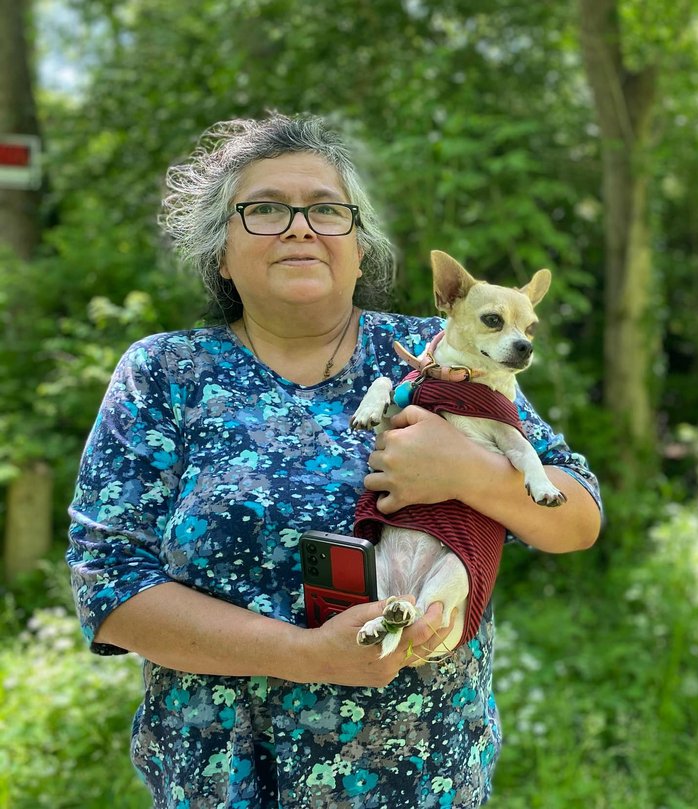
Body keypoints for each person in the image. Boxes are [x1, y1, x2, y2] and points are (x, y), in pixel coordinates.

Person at [66, 112, 602, 809]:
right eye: (264, 209)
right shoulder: (167, 372)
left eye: (326, 209)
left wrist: (467, 472)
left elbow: (577, 514)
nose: (298, 226)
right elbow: (108, 585)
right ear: (221, 252)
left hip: (420, 776)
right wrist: (306, 655)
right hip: (223, 781)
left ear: (358, 248)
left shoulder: (445, 351)